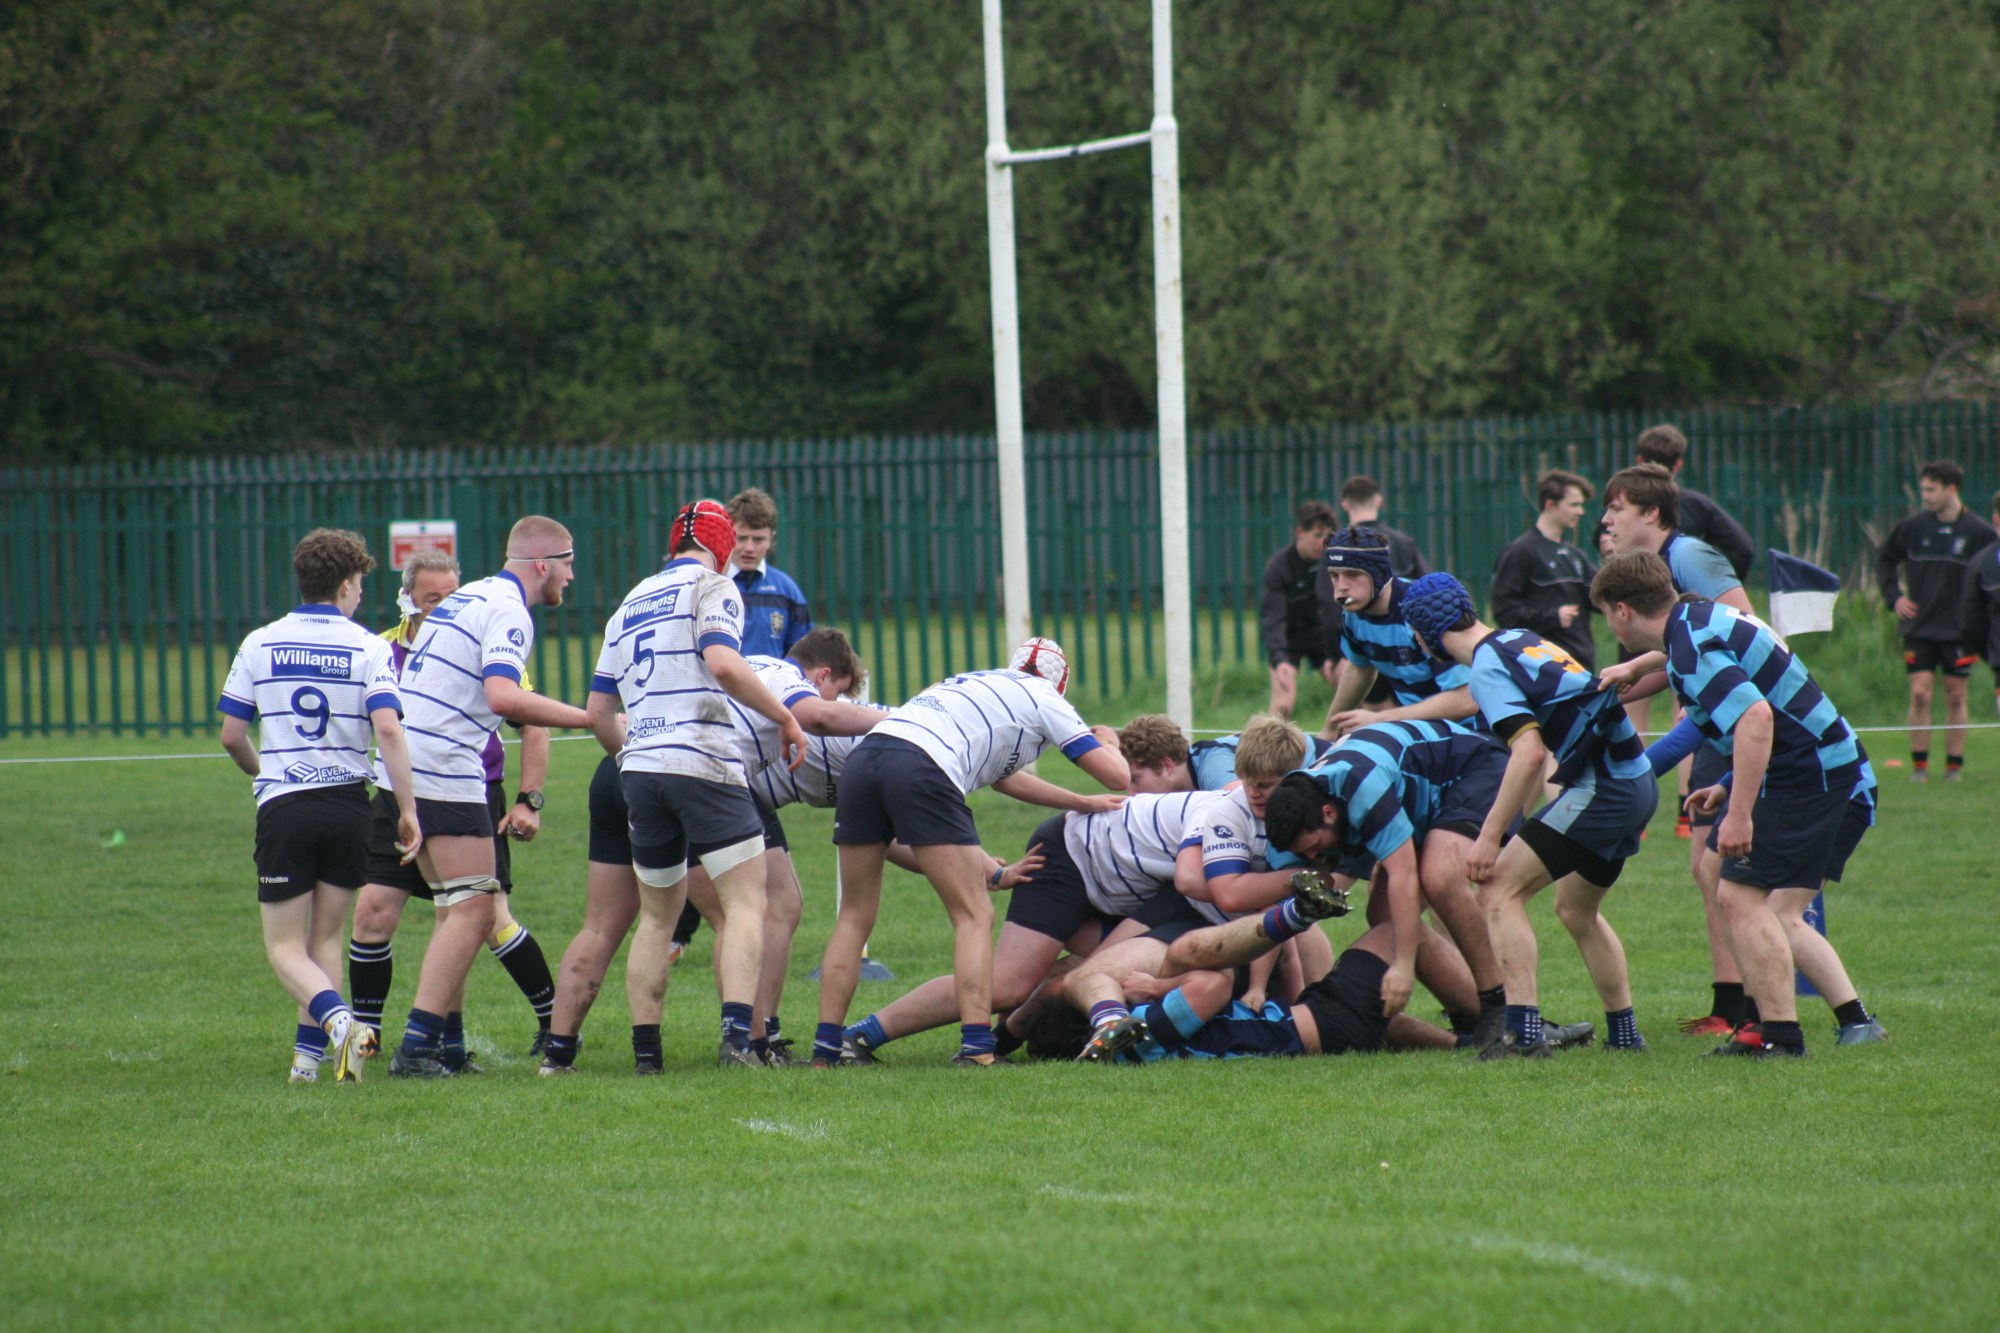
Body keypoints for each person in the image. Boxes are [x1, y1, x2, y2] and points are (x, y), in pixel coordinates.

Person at [1594, 551, 1887, 1057]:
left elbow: (1757, 718)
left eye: (1605, 614)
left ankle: (1779, 1037)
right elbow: (1760, 705)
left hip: (1811, 777)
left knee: (1741, 897)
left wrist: (1739, 813)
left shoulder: (1690, 645)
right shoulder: (1697, 619)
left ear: (1622, 610)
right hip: (1833, 770)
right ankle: (1851, 1021)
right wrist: (1728, 784)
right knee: (1768, 903)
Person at [810, 637, 1130, 1068]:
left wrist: (1080, 802)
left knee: (853, 915)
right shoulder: (1045, 696)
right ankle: (978, 1048)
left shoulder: (976, 683)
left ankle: (826, 1050)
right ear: (1061, 684)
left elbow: (1003, 777)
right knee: (974, 915)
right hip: (922, 765)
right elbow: (1117, 776)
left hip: (866, 758)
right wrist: (1108, 742)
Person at [585, 500, 817, 1068]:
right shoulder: (715, 586)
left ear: (673, 545)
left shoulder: (629, 603)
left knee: (657, 917)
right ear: (721, 547)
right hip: (703, 760)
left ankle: (647, 1055)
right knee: (746, 903)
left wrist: (633, 756)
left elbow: (597, 713)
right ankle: (739, 1041)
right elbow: (726, 665)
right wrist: (786, 718)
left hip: (641, 768)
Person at [1401, 573, 1654, 1057]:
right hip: (1634, 780)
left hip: (1603, 789)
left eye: (1415, 631)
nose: (1416, 642)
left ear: (1429, 629)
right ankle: (1625, 1035)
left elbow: (1529, 753)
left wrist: (1488, 836)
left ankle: (1522, 1035)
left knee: (1497, 890)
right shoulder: (1517, 637)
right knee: (1577, 911)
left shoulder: (1486, 667)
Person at [384, 516, 594, 1078]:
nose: (571, 576)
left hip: (406, 764)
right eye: (568, 563)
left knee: (457, 907)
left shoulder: (469, 595)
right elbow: (503, 696)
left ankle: (440, 1048)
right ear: (543, 564)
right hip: (444, 766)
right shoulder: (508, 609)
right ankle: (416, 1050)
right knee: (476, 909)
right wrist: (590, 719)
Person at [217, 528, 419, 1083]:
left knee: (284, 946)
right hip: (350, 806)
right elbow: (389, 730)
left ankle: (339, 1024)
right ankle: (308, 1064)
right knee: (325, 938)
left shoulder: (260, 642)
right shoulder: (371, 647)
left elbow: (232, 735)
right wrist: (407, 809)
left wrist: (265, 772)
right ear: (347, 585)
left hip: (287, 805)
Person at [347, 549, 560, 1070]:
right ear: (407, 598)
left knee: (474, 914)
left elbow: (529, 719)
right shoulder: (382, 649)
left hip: (471, 788)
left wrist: (530, 798)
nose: (440, 606)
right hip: (408, 786)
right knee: (379, 910)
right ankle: (375, 1042)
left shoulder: (479, 627)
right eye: (430, 598)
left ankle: (522, 1026)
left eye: (448, 596)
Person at [1263, 720, 1512, 1031]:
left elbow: (1403, 875)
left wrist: (1403, 967)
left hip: (1474, 765)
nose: (1314, 859)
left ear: (1329, 813)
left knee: (1441, 877)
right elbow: (1275, 896)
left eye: (1315, 848)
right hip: (1420, 794)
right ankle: (1472, 1013)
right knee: (1386, 917)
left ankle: (1503, 1011)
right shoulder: (1290, 811)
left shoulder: (1361, 786)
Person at [1877, 460, 1996, 782]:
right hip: (1920, 628)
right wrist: (1895, 597)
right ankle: (1919, 768)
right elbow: (1884, 559)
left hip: (1960, 632)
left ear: (1951, 489)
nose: (1925, 496)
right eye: (1923, 489)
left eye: (1931, 490)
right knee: (1920, 693)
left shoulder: (1980, 533)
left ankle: (1953, 768)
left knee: (1956, 695)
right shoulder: (1913, 527)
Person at [1317, 529, 1477, 740]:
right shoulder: (1353, 615)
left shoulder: (1423, 610)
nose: (1341, 587)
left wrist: (1380, 719)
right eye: (1334, 576)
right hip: (1422, 733)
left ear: (1379, 575)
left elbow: (1467, 700)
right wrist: (1330, 729)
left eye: (1353, 575)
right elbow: (1359, 668)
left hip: (1474, 732)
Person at [1489, 470, 1598, 670]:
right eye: (1574, 505)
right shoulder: (1521, 552)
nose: (1581, 512)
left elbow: (1603, 597)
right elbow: (1504, 612)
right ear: (1550, 504)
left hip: (1581, 665)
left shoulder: (1575, 555)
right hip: (1541, 667)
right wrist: (1553, 617)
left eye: (1581, 505)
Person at [1634, 424, 1755, 579]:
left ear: (1640, 461)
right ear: (1678, 465)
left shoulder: (1623, 503)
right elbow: (1742, 549)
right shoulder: (1695, 504)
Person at [1259, 501, 1338, 718]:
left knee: (1353, 695)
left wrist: (1337, 653)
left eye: (1327, 537)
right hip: (1288, 640)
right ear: (1300, 532)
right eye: (1317, 535)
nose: (1322, 543)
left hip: (1323, 638)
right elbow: (1272, 617)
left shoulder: (1333, 564)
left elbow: (1338, 609)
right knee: (1282, 706)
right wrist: (1279, 659)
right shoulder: (1278, 567)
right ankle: (1264, 741)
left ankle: (1353, 739)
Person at [726, 487, 814, 660]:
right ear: (728, 535)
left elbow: (804, 658)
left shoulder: (786, 590)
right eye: (741, 538)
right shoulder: (711, 584)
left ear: (771, 539)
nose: (749, 548)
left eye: (758, 539)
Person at [1959, 488, 2000, 716]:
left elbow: (1971, 624)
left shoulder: (1982, 564)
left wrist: (1993, 652)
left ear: (1995, 519)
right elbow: (1970, 624)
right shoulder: (1982, 564)